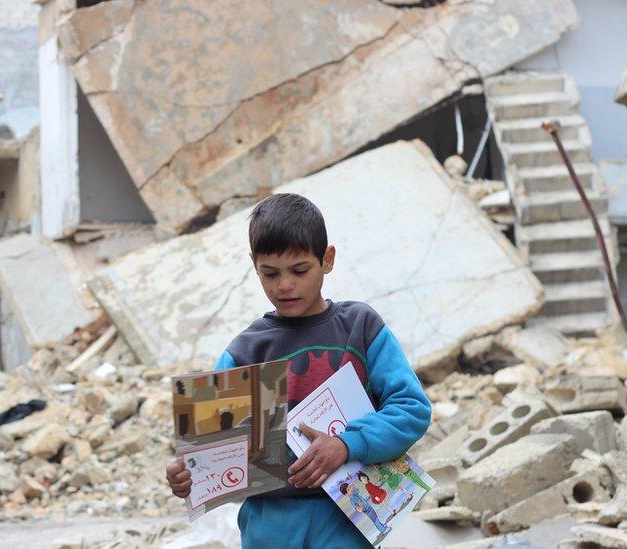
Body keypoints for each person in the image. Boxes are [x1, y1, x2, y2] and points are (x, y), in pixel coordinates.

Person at [165, 193, 431, 547]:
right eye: (270, 273)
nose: (284, 285)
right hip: (269, 527)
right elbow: (214, 454)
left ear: (327, 260)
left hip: (348, 519)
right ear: (254, 265)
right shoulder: (245, 352)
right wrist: (189, 476)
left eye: (299, 270)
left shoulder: (361, 328)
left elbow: (411, 409)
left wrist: (348, 444)